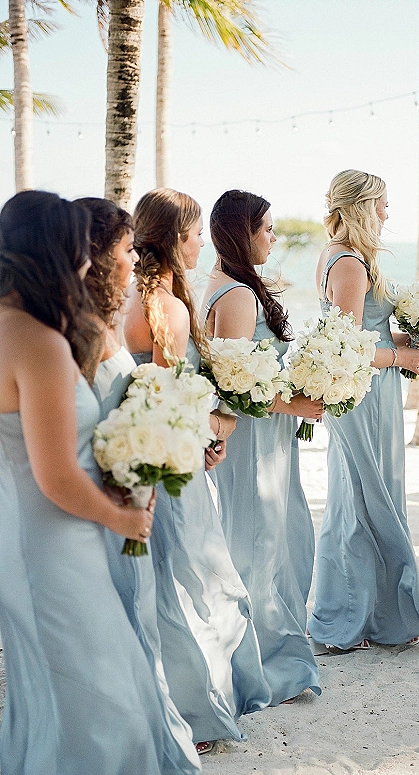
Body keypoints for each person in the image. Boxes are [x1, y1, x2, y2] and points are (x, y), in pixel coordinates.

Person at [0, 190, 167, 775]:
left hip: (21, 532)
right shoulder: (39, 344)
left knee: (52, 694)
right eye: (77, 251)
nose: (83, 264)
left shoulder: (8, 327)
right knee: (101, 700)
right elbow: (57, 477)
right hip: (56, 539)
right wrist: (125, 518)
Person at [123, 187, 271, 752]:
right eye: (193, 236)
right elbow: (172, 396)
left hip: (135, 454)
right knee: (191, 581)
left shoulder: (125, 299)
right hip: (171, 460)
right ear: (176, 239)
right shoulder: (169, 306)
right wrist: (213, 432)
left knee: (157, 580)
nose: (200, 245)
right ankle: (196, 714)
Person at [307, 169, 419, 651]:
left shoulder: (338, 255)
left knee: (366, 498)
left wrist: (401, 341)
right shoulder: (350, 263)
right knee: (362, 502)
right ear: (360, 207)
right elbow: (348, 346)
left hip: (370, 390)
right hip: (364, 395)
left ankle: (372, 615)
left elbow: (357, 331)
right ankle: (353, 620)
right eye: (382, 204)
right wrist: (402, 357)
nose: (387, 214)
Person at [78, 196, 201, 774]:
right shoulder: (147, 313)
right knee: (145, 597)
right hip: (115, 487)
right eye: (123, 250)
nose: (133, 260)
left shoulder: (103, 317)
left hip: (124, 477)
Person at [203, 189, 322, 706]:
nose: (273, 236)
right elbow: (235, 384)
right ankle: (262, 671)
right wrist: (293, 405)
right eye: (267, 228)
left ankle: (270, 660)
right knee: (259, 549)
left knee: (275, 542)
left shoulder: (229, 283)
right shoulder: (236, 294)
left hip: (266, 439)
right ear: (242, 232)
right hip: (252, 442)